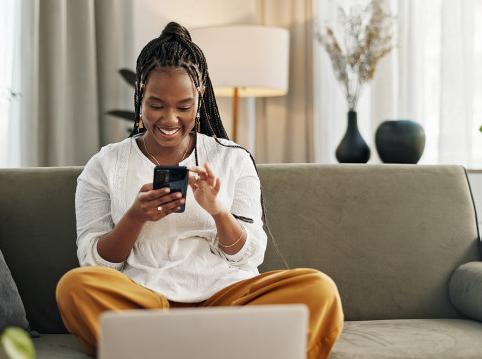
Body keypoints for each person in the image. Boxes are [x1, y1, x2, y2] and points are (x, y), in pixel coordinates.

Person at [56, 21, 343, 359]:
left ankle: (164, 350)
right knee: (75, 287)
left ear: (201, 96)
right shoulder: (105, 165)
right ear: (139, 93)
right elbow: (96, 266)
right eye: (156, 105)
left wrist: (219, 212)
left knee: (319, 290)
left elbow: (247, 256)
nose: (170, 120)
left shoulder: (232, 159)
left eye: (184, 106)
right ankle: (224, 350)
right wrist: (134, 217)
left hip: (226, 300)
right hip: (145, 302)